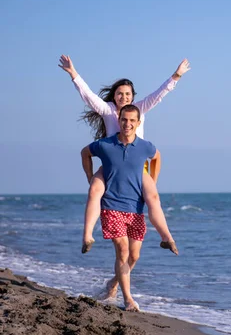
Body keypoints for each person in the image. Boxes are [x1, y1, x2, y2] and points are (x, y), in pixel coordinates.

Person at [59, 55, 190, 255]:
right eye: (120, 94)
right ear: (114, 96)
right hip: (111, 165)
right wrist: (73, 74)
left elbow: (159, 94)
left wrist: (176, 76)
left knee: (153, 196)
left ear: (133, 96)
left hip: (137, 166)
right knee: (94, 190)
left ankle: (167, 238)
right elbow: (88, 96)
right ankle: (87, 236)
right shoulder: (107, 110)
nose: (124, 97)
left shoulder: (139, 109)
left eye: (128, 94)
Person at [81, 104, 158, 311]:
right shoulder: (105, 144)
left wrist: (152, 179)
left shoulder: (144, 146)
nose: (128, 124)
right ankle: (128, 299)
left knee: (134, 256)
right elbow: (85, 153)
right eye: (124, 120)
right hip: (112, 204)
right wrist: (90, 177)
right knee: (122, 251)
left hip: (134, 205)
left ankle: (113, 283)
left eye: (132, 120)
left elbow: (157, 156)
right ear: (119, 120)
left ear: (138, 123)